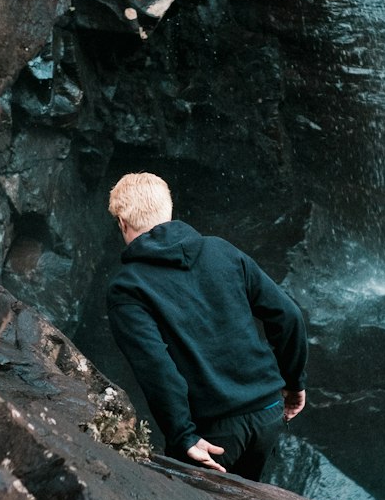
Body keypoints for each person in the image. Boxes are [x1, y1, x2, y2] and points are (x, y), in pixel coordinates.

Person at [106, 172, 308, 480]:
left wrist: (182, 434)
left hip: (213, 434)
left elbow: (156, 367)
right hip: (268, 412)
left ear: (122, 222)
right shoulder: (222, 250)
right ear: (168, 212)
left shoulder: (128, 288)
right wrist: (294, 382)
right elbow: (288, 315)